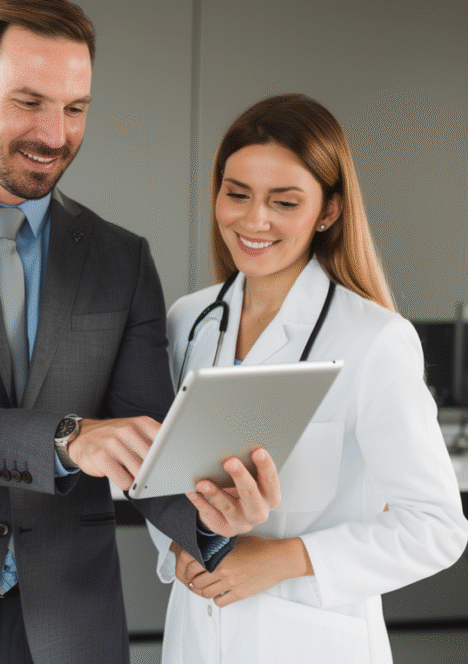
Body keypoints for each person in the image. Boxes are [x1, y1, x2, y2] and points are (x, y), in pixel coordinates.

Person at [0, 2, 279, 662]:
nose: (54, 133)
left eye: (74, 108)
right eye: (30, 102)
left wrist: (210, 518)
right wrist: (67, 440)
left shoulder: (121, 257)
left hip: (75, 621)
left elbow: (143, 433)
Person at [151, 93, 468, 664]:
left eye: (285, 202)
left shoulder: (375, 340)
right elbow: (162, 478)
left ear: (328, 212)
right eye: (237, 193)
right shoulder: (188, 322)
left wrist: (284, 558)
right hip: (196, 637)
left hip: (310, 643)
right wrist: (178, 541)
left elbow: (437, 529)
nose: (254, 220)